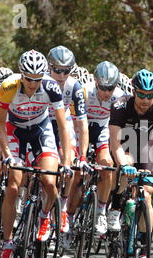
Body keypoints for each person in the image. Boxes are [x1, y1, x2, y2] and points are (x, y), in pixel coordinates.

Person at [0, 50, 72, 258]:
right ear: (22, 75)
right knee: (13, 185)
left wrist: (66, 162)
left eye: (37, 79)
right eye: (29, 79)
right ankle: (7, 244)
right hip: (14, 130)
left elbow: (63, 126)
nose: (32, 83)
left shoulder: (50, 87)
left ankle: (44, 216)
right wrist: (8, 155)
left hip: (41, 130)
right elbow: (0, 125)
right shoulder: (9, 86)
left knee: (50, 181)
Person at [109, 68, 153, 258]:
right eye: (142, 95)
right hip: (125, 146)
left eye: (150, 95)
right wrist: (124, 165)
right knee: (125, 168)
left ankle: (144, 251)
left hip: (147, 148)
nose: (146, 100)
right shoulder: (120, 106)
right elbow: (115, 143)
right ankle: (117, 205)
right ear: (134, 92)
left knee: (146, 197)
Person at [77, 61, 125, 236]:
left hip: (102, 130)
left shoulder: (120, 97)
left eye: (110, 88)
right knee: (76, 174)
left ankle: (100, 213)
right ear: (96, 82)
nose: (106, 92)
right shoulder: (84, 90)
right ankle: (68, 214)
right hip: (82, 128)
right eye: (102, 88)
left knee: (107, 166)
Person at [47, 45, 89, 234]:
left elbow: (82, 124)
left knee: (69, 164)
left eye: (66, 71)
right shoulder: (41, 81)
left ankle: (63, 206)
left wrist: (83, 156)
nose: (61, 75)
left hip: (63, 126)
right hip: (41, 124)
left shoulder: (74, 86)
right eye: (57, 70)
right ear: (49, 67)